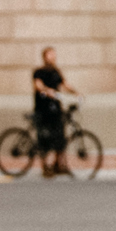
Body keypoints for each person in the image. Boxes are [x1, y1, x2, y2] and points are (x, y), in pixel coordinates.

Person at [31, 46, 76, 176]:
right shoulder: (39, 72)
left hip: (55, 109)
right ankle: (45, 166)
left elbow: (65, 84)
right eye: (50, 55)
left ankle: (58, 164)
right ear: (44, 57)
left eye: (53, 55)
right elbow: (38, 85)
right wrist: (47, 90)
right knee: (44, 137)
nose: (52, 57)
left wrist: (76, 93)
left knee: (60, 136)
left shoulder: (56, 72)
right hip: (42, 109)